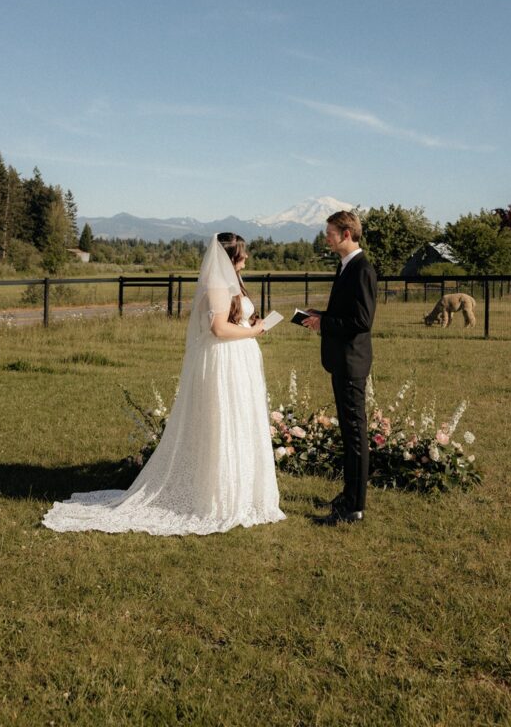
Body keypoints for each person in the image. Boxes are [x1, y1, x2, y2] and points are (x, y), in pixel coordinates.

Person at [42, 233, 285, 536]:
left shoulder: (233, 282)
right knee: (223, 421)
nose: (247, 258)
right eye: (243, 254)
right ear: (230, 256)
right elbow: (219, 328)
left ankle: (241, 487)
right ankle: (219, 495)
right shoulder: (218, 285)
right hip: (225, 362)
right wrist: (254, 330)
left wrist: (252, 325)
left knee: (239, 421)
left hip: (239, 361)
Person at [303, 211, 377, 525]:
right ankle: (349, 497)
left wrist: (325, 322)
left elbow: (361, 321)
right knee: (349, 434)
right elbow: (346, 313)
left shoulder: (361, 268)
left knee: (355, 435)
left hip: (351, 362)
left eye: (330, 232)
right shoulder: (345, 266)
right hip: (342, 361)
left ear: (346, 234)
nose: (326, 237)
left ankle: (354, 507)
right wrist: (319, 314)